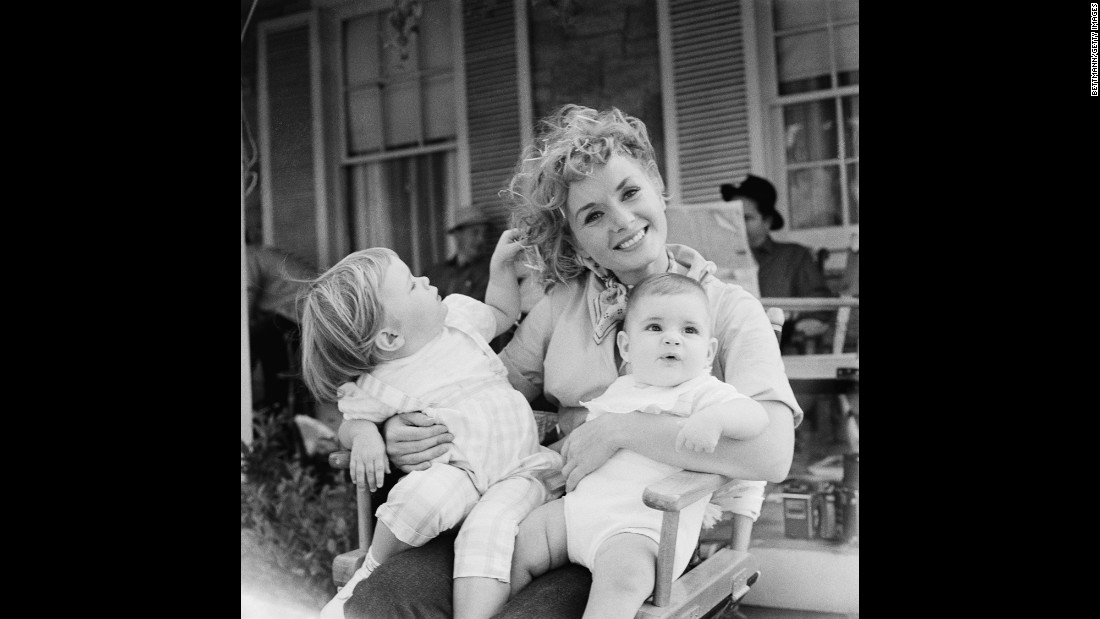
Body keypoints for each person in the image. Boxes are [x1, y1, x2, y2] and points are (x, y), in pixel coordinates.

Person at [342, 104, 801, 619]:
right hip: (537, 509)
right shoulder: (563, 305)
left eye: (630, 193)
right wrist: (391, 427)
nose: (622, 222)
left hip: (640, 536)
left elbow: (772, 452)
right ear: (576, 240)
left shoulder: (726, 309)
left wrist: (620, 431)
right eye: (593, 215)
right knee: (384, 600)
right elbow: (480, 391)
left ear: (655, 184)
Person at [301, 238, 564, 619]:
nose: (425, 278)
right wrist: (365, 436)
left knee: (488, 531)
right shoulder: (382, 381)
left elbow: (500, 311)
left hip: (520, 469)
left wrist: (501, 269)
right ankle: (372, 566)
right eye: (411, 283)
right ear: (390, 338)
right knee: (418, 499)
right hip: (461, 473)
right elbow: (352, 420)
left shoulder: (458, 320)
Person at [509, 273, 770, 618]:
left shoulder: (704, 393)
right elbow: (584, 441)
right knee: (521, 541)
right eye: (655, 328)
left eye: (689, 330)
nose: (672, 340)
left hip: (640, 530)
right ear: (626, 348)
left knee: (623, 580)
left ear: (708, 352)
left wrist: (716, 420)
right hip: (577, 514)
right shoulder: (619, 389)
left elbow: (756, 417)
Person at [720, 174, 834, 352]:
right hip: (724, 348)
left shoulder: (794, 256)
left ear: (767, 221)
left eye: (746, 218)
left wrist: (801, 321)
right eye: (731, 218)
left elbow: (820, 303)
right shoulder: (716, 259)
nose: (737, 225)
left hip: (779, 350)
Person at [246, 240, 315, 410]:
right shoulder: (258, 252)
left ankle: (276, 405)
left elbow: (245, 306)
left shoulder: (247, 255)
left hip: (303, 310)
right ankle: (276, 404)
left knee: (257, 337)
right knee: (264, 337)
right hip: (303, 311)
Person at [424, 206, 495, 302]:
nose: (481, 239)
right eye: (475, 232)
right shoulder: (434, 272)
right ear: (458, 234)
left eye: (484, 234)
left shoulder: (489, 273)